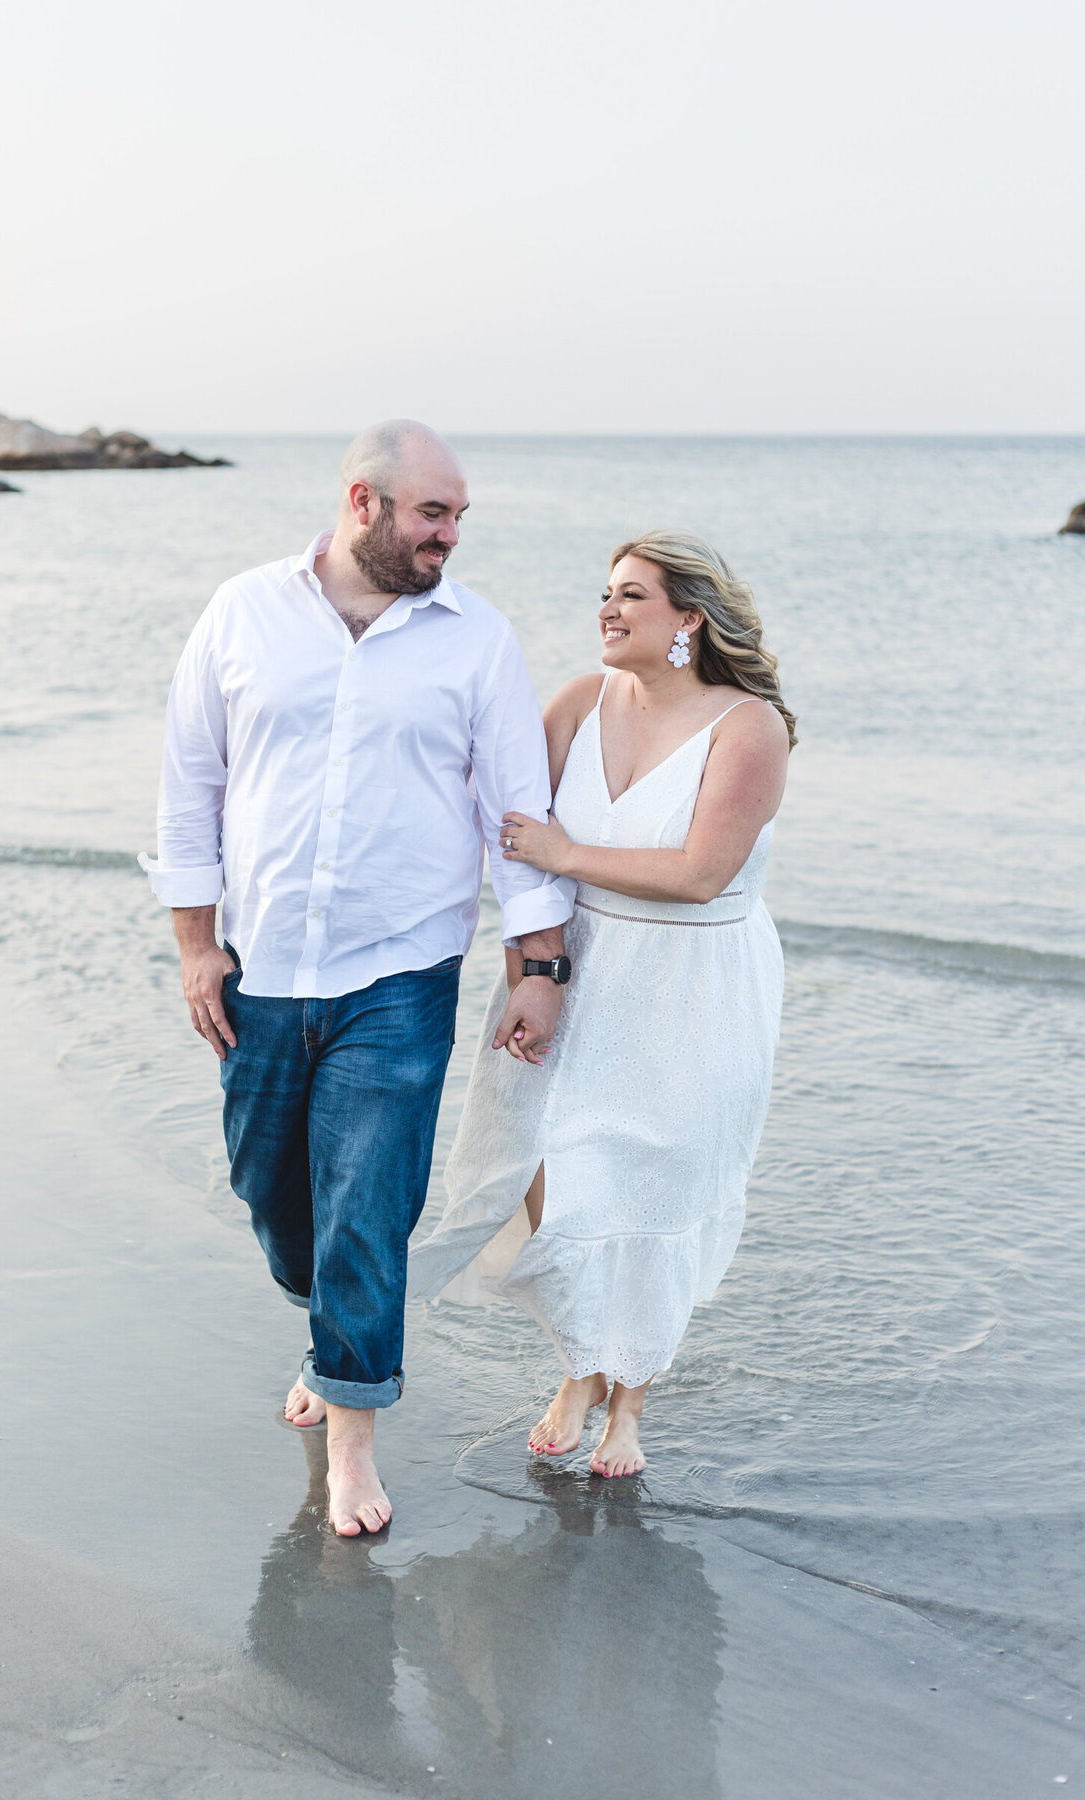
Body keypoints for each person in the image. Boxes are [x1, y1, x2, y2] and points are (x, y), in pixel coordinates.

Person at [139, 422, 573, 1535]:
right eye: (434, 514)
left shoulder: (478, 640)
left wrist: (539, 967)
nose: (451, 536)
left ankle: (352, 1442)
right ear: (364, 503)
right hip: (263, 971)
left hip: (404, 973)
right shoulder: (244, 612)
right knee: (275, 1203)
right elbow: (188, 785)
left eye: (461, 517)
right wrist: (198, 946)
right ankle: (328, 1327)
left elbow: (515, 816)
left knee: (367, 1209)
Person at [409, 531, 795, 1477]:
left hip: (691, 984)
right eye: (605, 593)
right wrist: (529, 965)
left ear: (688, 621)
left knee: (655, 1185)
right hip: (578, 971)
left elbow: (704, 873)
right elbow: (506, 833)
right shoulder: (578, 704)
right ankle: (582, 1357)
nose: (607, 611)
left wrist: (565, 854)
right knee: (553, 1171)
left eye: (631, 595)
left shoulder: (749, 726)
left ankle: (624, 1400)